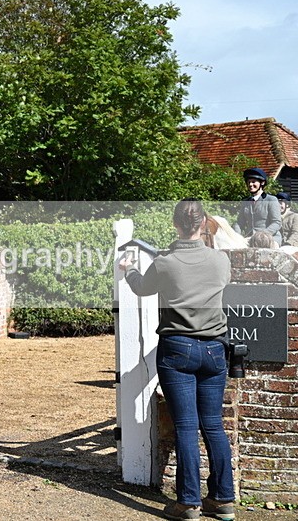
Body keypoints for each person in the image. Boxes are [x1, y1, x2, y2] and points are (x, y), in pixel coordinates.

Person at [119, 199, 236, 521]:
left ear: (175, 224)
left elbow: (142, 288)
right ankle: (223, 499)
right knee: (213, 425)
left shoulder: (165, 262)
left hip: (178, 347)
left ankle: (189, 503)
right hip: (214, 348)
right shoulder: (220, 261)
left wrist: (128, 271)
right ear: (203, 223)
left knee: (186, 426)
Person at [232, 167, 282, 245]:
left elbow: (277, 223)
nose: (250, 184)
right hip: (250, 239)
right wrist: (236, 235)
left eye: (253, 182)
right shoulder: (245, 202)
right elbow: (239, 222)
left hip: (270, 239)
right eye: (248, 182)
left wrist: (261, 236)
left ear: (262, 183)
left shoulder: (271, 199)